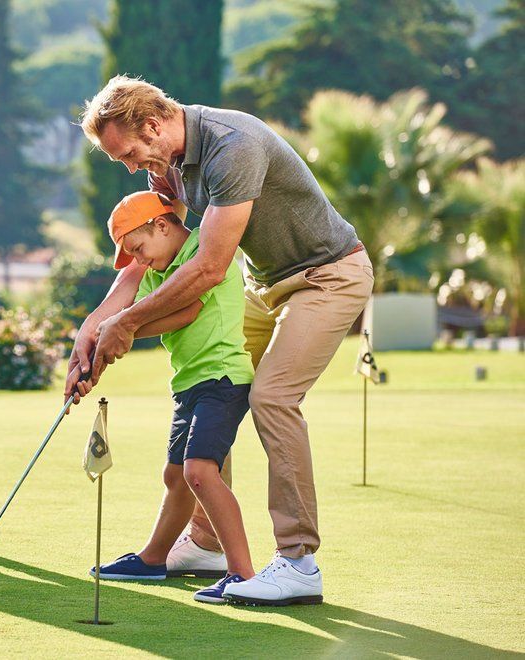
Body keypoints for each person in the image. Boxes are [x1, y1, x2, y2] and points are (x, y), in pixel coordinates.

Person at [68, 76, 374, 605]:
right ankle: (207, 543)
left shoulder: (233, 146)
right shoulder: (169, 164)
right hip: (268, 283)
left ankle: (298, 562)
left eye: (131, 154)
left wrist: (129, 325)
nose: (133, 167)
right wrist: (95, 325)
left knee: (272, 397)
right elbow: (149, 255)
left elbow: (208, 268)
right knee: (216, 379)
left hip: (329, 275)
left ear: (155, 124)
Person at [81, 191, 256, 604]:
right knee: (176, 476)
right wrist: (104, 340)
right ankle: (154, 558)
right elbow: (138, 316)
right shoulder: (158, 271)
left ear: (161, 225)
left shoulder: (201, 251)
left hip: (223, 377)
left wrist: (120, 331)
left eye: (139, 248)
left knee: (199, 471)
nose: (141, 260)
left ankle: (243, 574)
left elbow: (187, 310)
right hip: (189, 383)